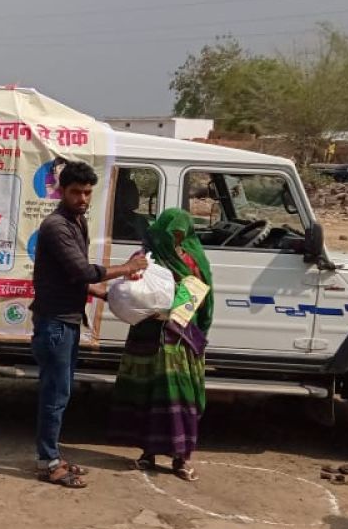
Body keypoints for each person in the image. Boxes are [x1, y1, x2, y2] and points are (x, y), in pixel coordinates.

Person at [30, 160, 147, 488]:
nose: (82, 198)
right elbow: (82, 271)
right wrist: (126, 269)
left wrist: (106, 295)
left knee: (61, 393)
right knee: (55, 394)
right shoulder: (56, 226)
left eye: (87, 193)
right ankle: (48, 462)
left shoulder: (77, 222)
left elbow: (73, 278)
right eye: (76, 192)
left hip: (66, 321)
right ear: (62, 191)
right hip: (55, 323)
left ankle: (52, 455)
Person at [110, 208, 213, 482]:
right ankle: (148, 453)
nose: (175, 240)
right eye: (171, 234)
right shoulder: (144, 258)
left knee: (179, 397)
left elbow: (202, 296)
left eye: (180, 234)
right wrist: (142, 297)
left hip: (179, 339)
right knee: (146, 395)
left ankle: (181, 458)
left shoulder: (193, 259)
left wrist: (177, 305)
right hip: (146, 336)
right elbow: (129, 288)